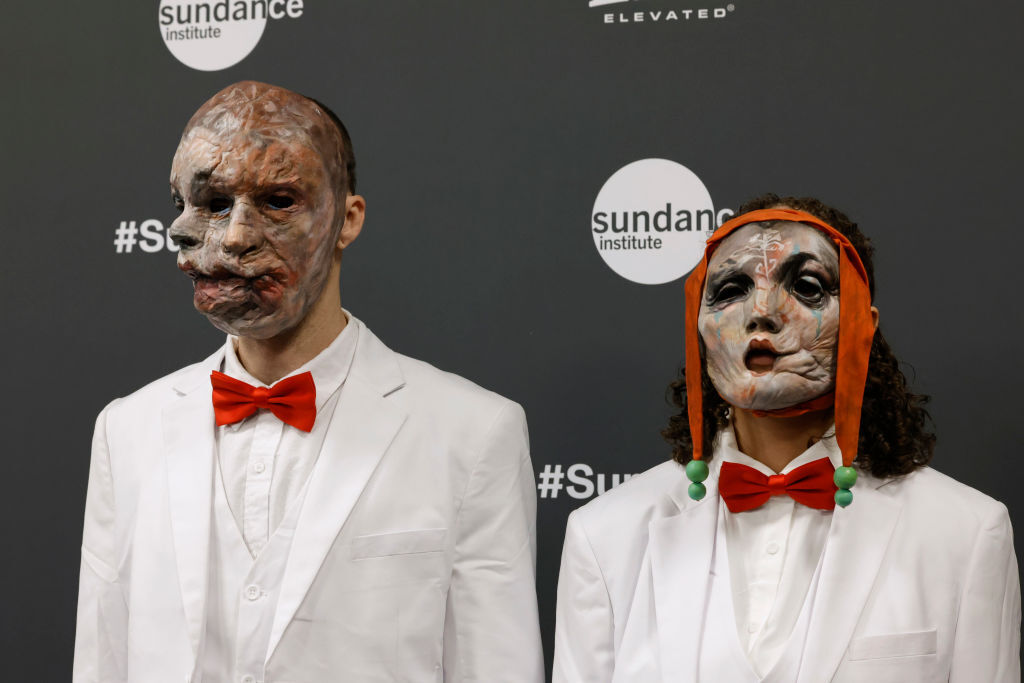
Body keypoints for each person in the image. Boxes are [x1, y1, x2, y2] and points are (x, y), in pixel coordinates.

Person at [73, 81, 544, 683]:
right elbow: (102, 659)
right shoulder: (126, 431)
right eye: (212, 202)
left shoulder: (474, 432)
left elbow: (496, 667)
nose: (238, 236)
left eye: (277, 201)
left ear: (347, 219)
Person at [553, 194, 1020, 682]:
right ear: (698, 325)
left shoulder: (965, 534)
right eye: (732, 288)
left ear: (863, 326)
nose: (762, 311)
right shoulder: (605, 535)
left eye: (806, 286)